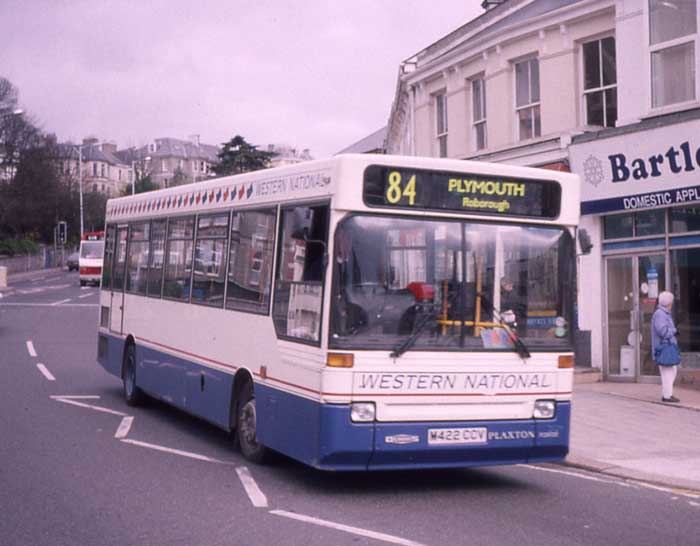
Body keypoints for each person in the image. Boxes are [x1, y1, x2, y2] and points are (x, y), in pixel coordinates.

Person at [651, 291, 681, 403]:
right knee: (668, 372)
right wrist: (674, 331)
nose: (672, 304)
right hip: (664, 347)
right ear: (668, 303)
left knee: (670, 371)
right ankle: (667, 396)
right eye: (671, 302)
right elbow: (662, 331)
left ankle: (667, 394)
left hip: (666, 346)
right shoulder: (660, 314)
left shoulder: (663, 313)